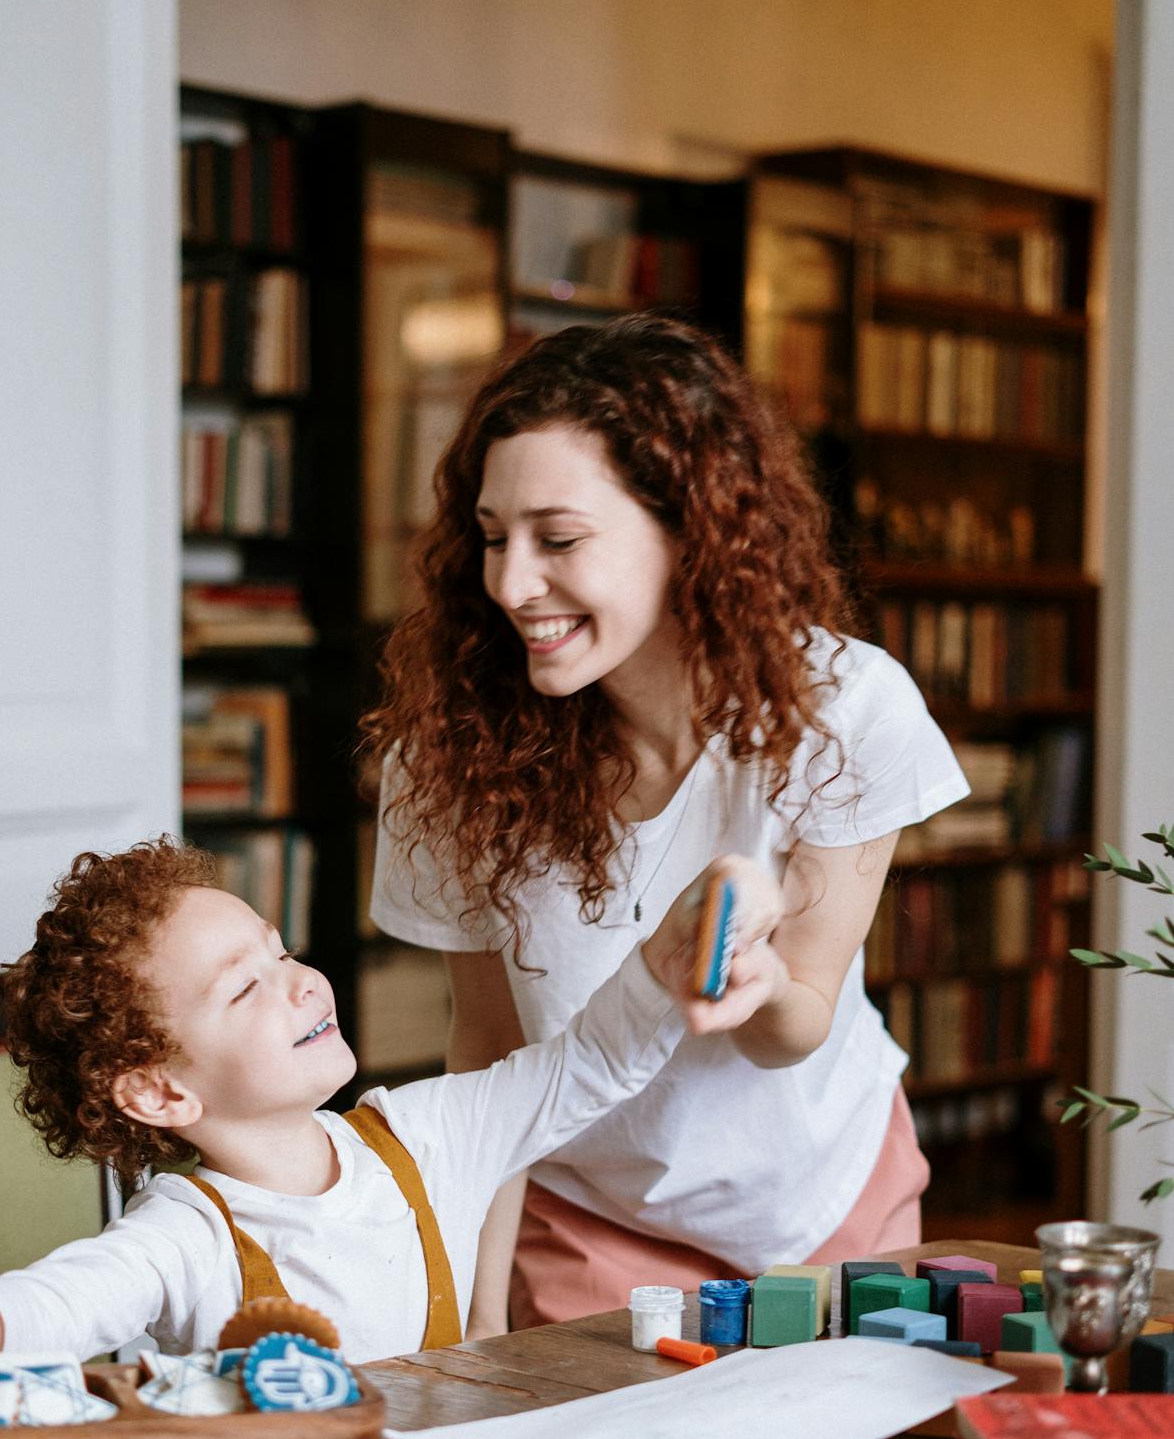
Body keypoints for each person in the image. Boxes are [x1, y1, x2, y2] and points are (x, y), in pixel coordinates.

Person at [364, 312, 970, 1337]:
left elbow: (799, 1022)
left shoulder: (846, 709)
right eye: (493, 536)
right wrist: (472, 1328)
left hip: (822, 1198)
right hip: (590, 1213)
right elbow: (491, 1055)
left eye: (558, 539)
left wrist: (760, 974)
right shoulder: (449, 755)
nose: (512, 583)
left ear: (689, 528)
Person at [0, 834, 777, 1394]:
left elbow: (587, 1065)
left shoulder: (426, 1137)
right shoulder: (185, 1236)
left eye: (280, 953)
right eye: (245, 990)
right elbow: (64, 1300)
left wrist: (671, 958)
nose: (299, 984)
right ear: (159, 1092)